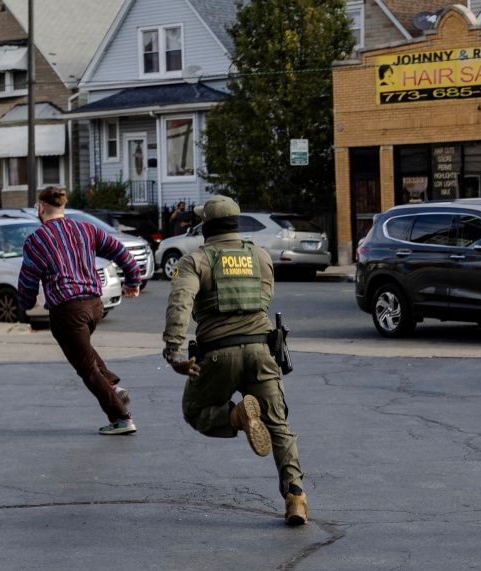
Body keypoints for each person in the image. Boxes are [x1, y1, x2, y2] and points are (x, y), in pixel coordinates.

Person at [162, 195, 308, 526]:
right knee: (279, 426)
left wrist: (173, 351)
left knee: (195, 411)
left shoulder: (195, 261)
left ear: (205, 227)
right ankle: (295, 497)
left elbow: (180, 303)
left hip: (217, 354)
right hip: (261, 351)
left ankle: (236, 417)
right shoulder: (259, 256)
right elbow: (265, 298)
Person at [17, 186, 143, 435]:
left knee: (86, 368)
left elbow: (28, 281)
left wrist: (26, 303)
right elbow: (120, 251)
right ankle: (113, 387)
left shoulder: (37, 240)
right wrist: (133, 281)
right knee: (84, 350)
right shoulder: (86, 229)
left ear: (41, 208)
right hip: (95, 305)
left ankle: (121, 418)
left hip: (67, 311)